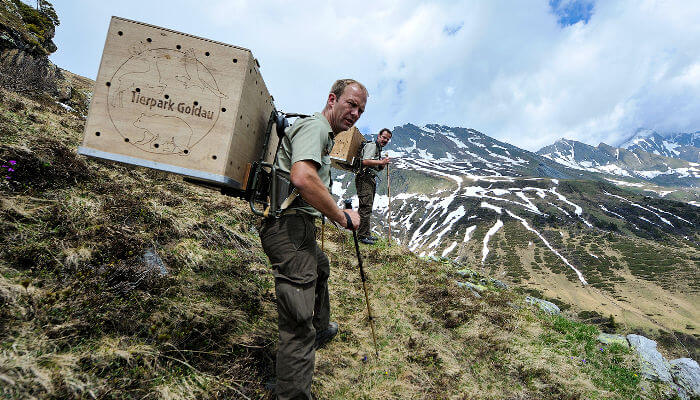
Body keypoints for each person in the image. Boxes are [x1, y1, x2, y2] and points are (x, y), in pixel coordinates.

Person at [260, 79, 366, 400]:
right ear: (332, 99)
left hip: (297, 227)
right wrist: (341, 216)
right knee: (296, 324)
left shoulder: (324, 134)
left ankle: (321, 329)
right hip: (289, 229)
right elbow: (303, 177)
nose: (355, 113)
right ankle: (292, 393)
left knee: (320, 267)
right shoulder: (316, 128)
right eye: (351, 104)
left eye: (360, 109)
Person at [355, 128, 392, 244]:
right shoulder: (372, 146)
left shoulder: (378, 150)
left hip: (369, 178)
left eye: (388, 139)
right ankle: (361, 236)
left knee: (367, 206)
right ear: (378, 136)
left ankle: (366, 234)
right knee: (365, 206)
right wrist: (381, 162)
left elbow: (374, 165)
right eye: (384, 137)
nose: (385, 140)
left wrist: (382, 165)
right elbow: (365, 161)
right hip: (364, 178)